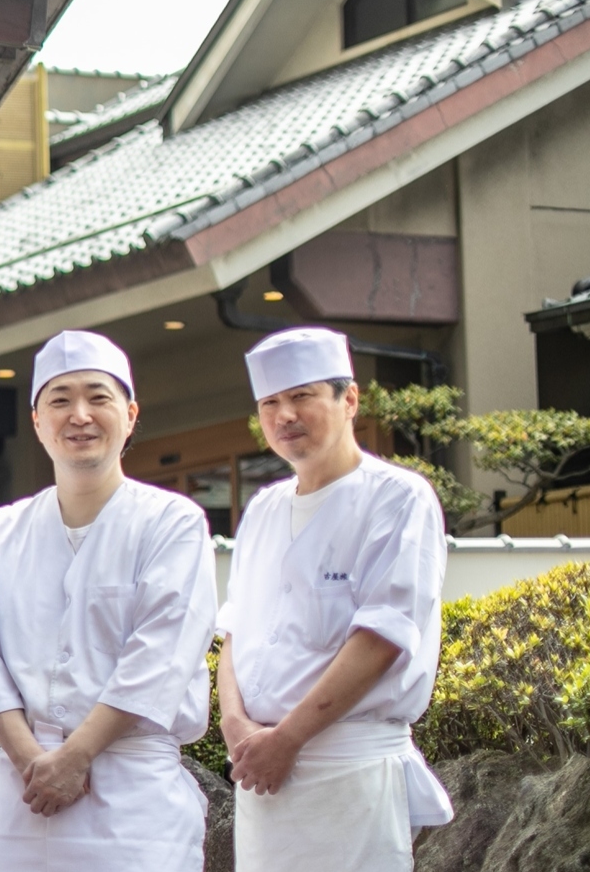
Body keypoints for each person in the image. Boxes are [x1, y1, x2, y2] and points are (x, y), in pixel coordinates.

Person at [0, 331, 216, 870]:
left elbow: (160, 654)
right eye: (59, 400)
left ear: (129, 414)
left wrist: (77, 755)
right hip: (23, 793)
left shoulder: (172, 523)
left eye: (98, 397)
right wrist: (31, 758)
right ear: (37, 422)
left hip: (132, 793)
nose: (79, 414)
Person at [218, 327, 451, 871]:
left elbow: (382, 637)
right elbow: (236, 631)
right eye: (270, 403)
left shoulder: (398, 497)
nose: (285, 416)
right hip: (259, 772)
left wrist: (288, 739)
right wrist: (235, 727)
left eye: (302, 396)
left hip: (349, 770)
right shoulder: (264, 508)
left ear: (349, 400)